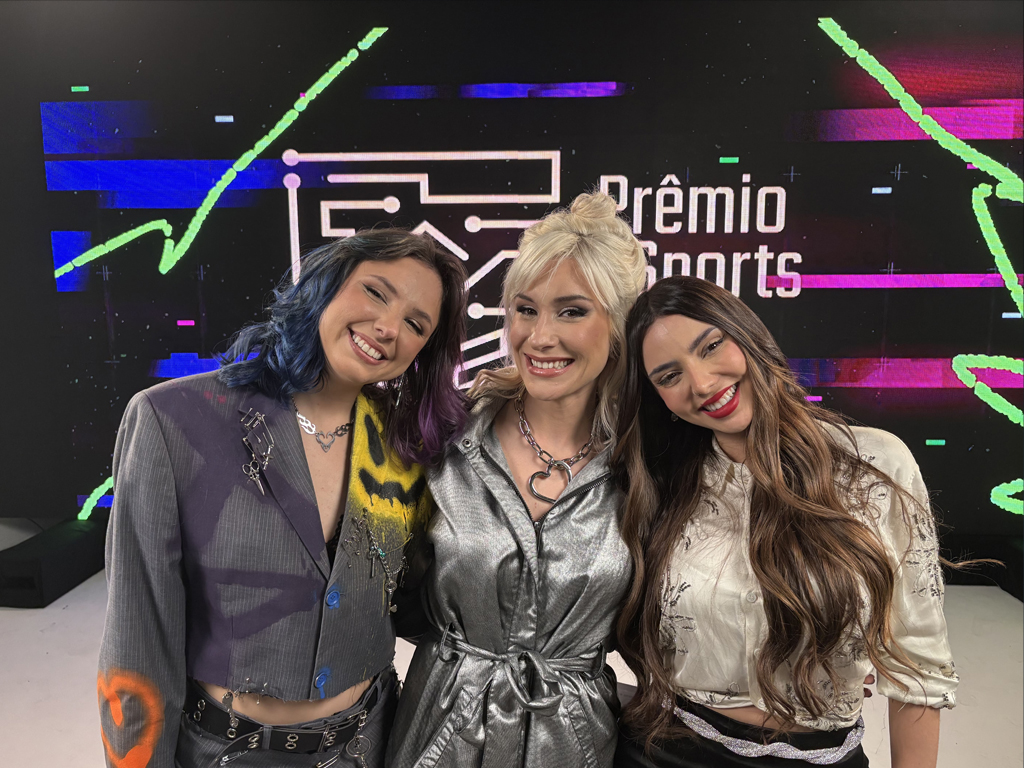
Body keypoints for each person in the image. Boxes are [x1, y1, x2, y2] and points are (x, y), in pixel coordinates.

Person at [98, 229, 467, 768]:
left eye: (416, 324)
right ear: (328, 283)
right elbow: (140, 630)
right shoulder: (174, 419)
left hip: (368, 746)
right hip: (226, 753)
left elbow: (416, 607)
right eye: (375, 292)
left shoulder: (405, 448)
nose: (389, 328)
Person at [612, 276, 960, 768]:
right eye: (670, 376)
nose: (703, 383)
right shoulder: (657, 486)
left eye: (711, 346)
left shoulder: (875, 466)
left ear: (747, 335)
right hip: (667, 750)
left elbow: (919, 665)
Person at [385, 192, 649, 768]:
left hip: (573, 746)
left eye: (572, 312)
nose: (539, 336)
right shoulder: (446, 437)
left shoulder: (645, 464)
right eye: (525, 310)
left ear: (619, 324)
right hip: (440, 735)